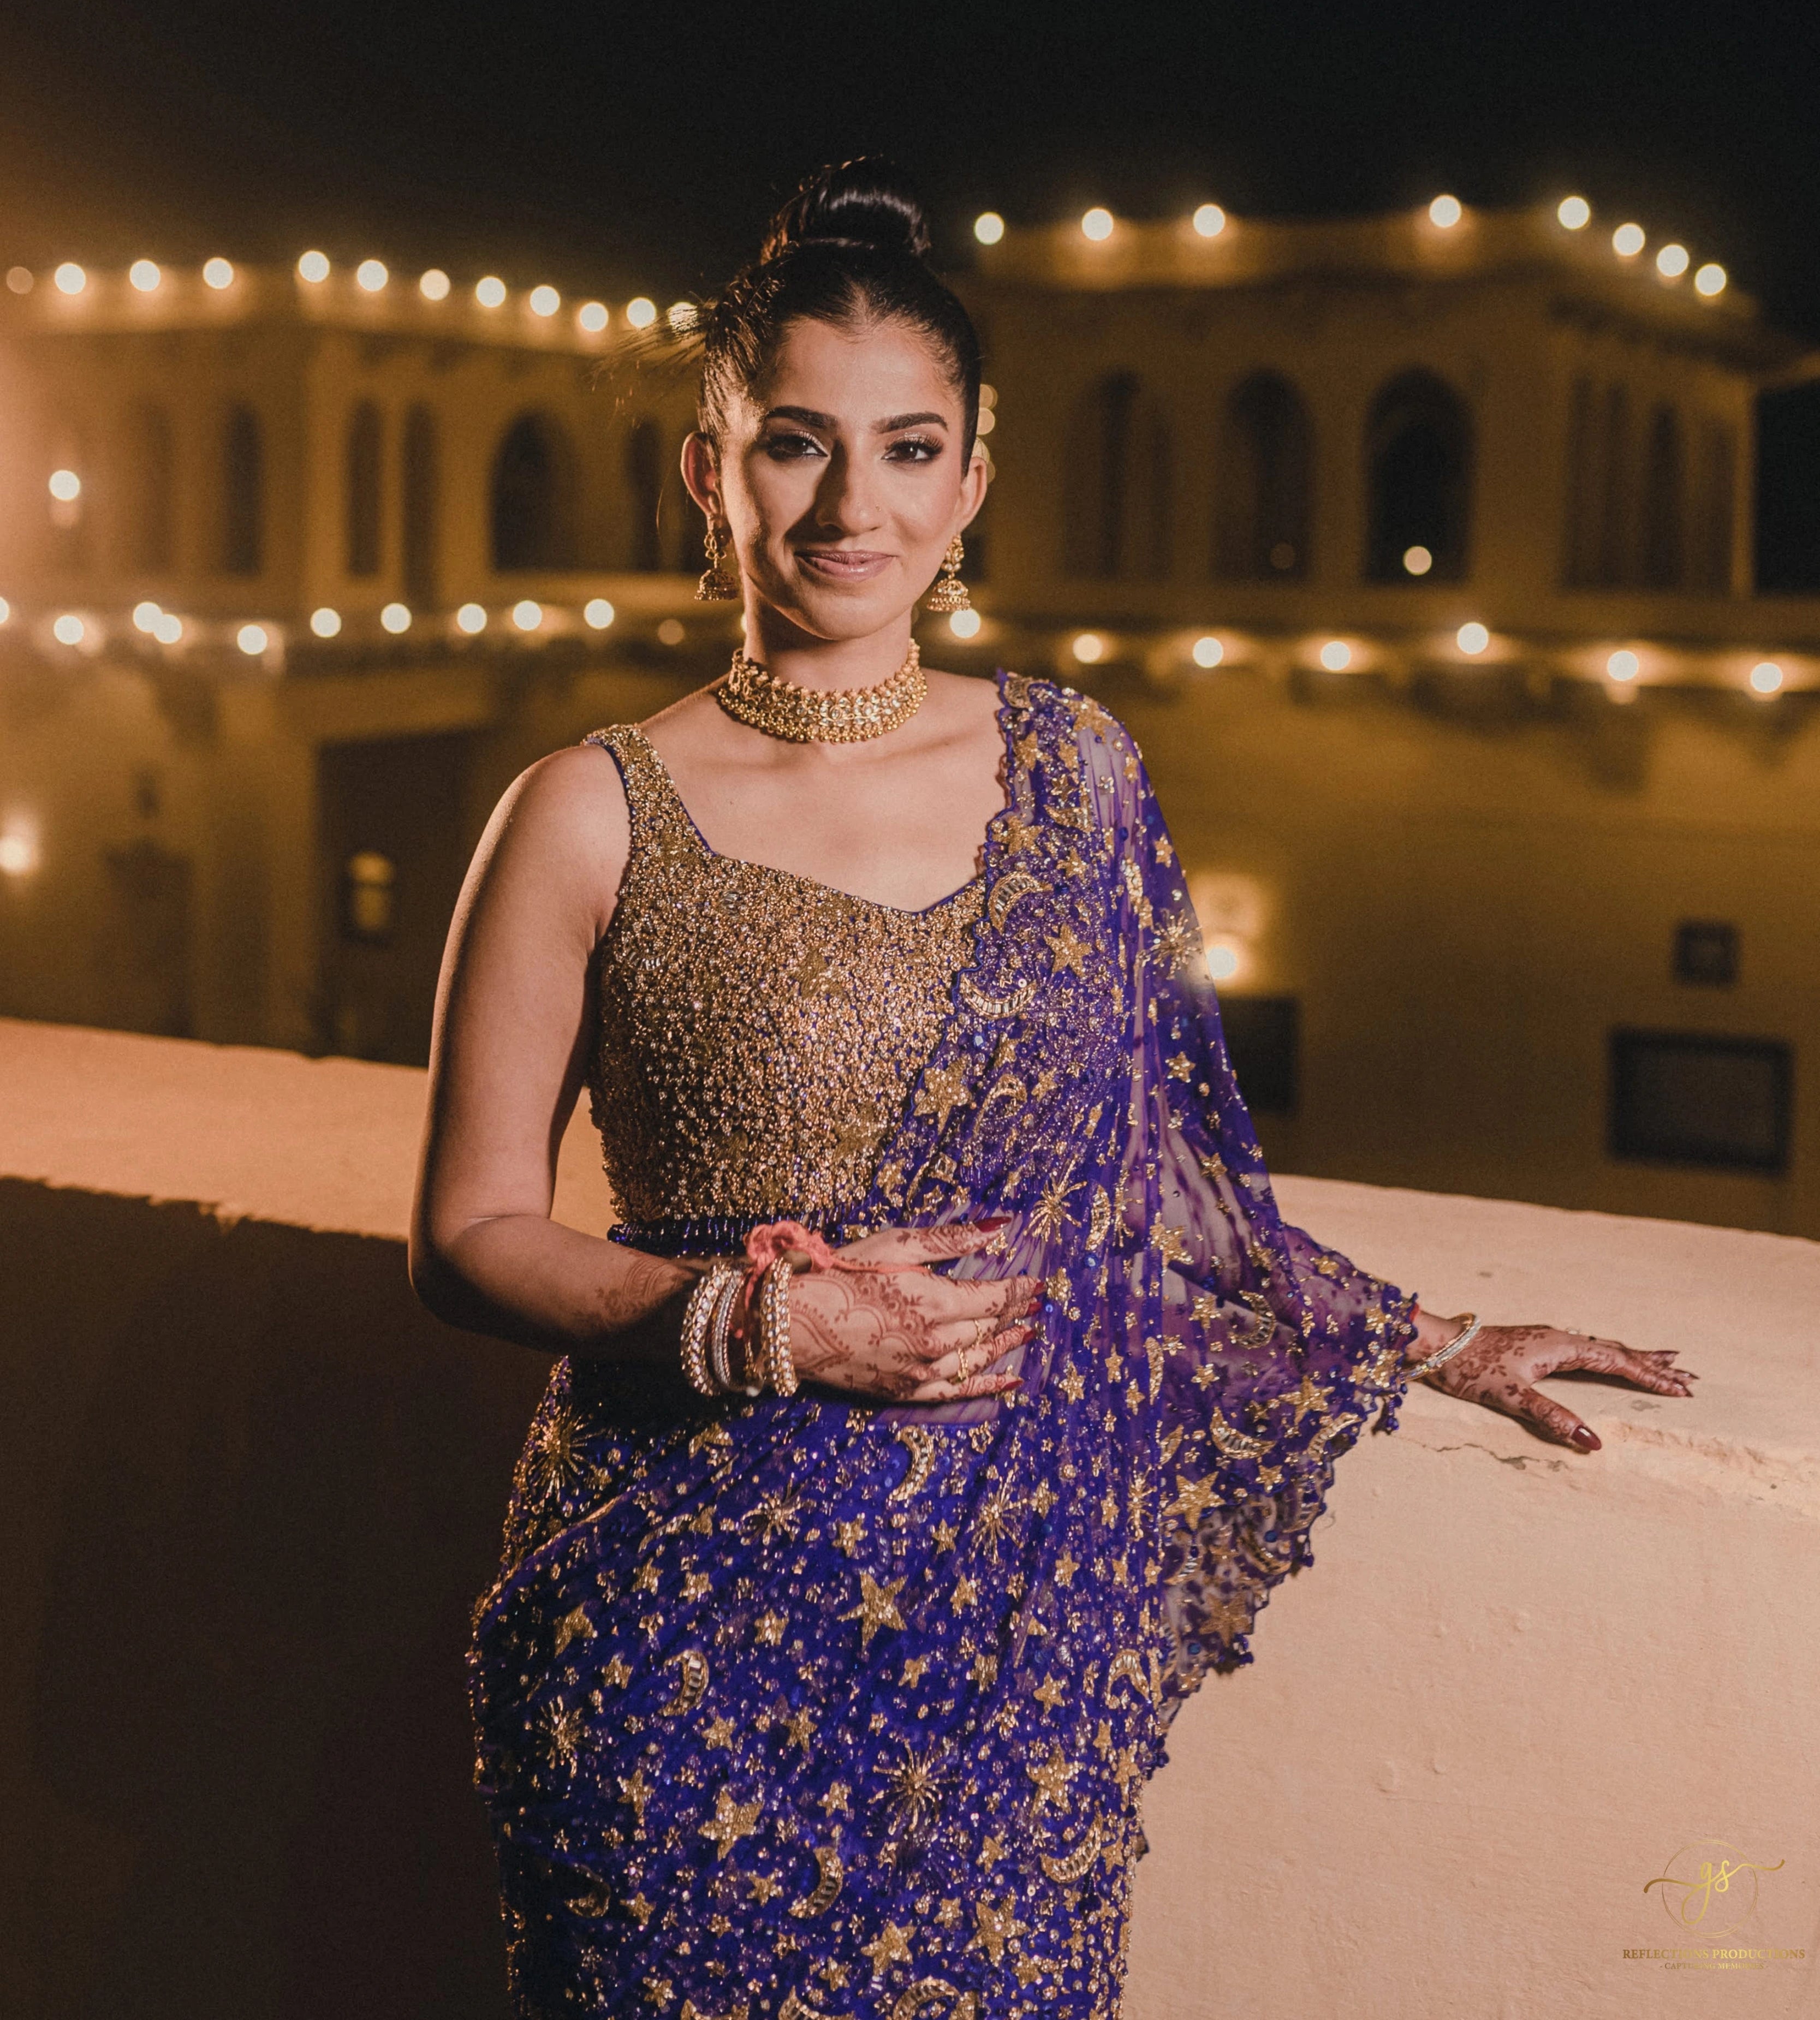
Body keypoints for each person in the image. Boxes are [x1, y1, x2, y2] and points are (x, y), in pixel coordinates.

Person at [411, 162, 1694, 2019]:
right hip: (673, 1640)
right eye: (793, 444)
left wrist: (1427, 1342)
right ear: (711, 470)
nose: (853, 505)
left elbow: (1157, 1183)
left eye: (908, 449)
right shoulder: (587, 811)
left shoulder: (1075, 774)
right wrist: (761, 1322)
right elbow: (465, 1237)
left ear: (972, 482)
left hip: (1000, 1643)